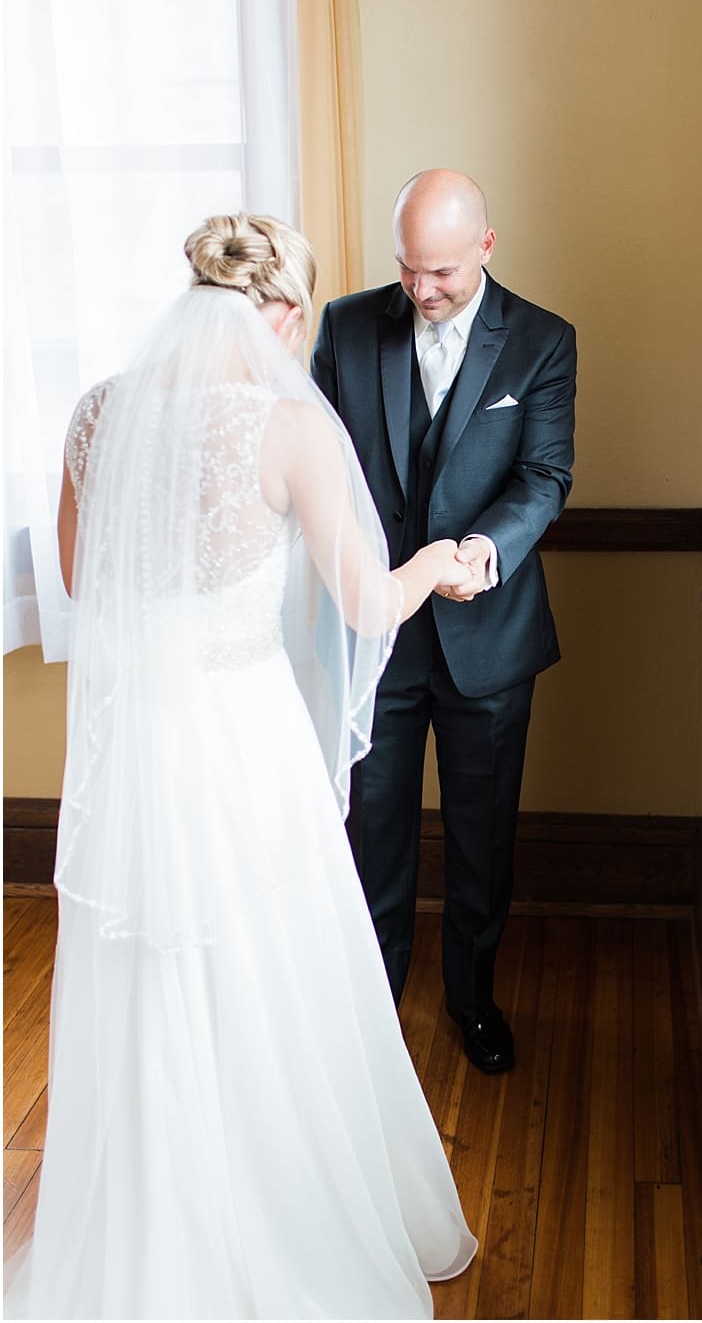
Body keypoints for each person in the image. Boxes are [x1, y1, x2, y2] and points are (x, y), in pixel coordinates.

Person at [4, 215, 478, 1317]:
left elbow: (82, 575)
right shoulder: (286, 426)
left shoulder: (97, 412)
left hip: (137, 750)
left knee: (149, 967)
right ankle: (279, 1202)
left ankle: (154, 1216)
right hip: (242, 736)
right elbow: (365, 601)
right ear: (283, 314)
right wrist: (434, 563)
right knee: (272, 960)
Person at [311, 170, 575, 1074]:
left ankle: (471, 999)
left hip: (486, 638)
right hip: (373, 637)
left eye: (443, 274)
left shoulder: (542, 341)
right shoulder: (346, 328)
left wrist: (478, 555)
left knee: (481, 832)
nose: (421, 291)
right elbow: (318, 467)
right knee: (370, 830)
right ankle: (372, 1007)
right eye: (408, 270)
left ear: (487, 249)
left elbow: (544, 477)